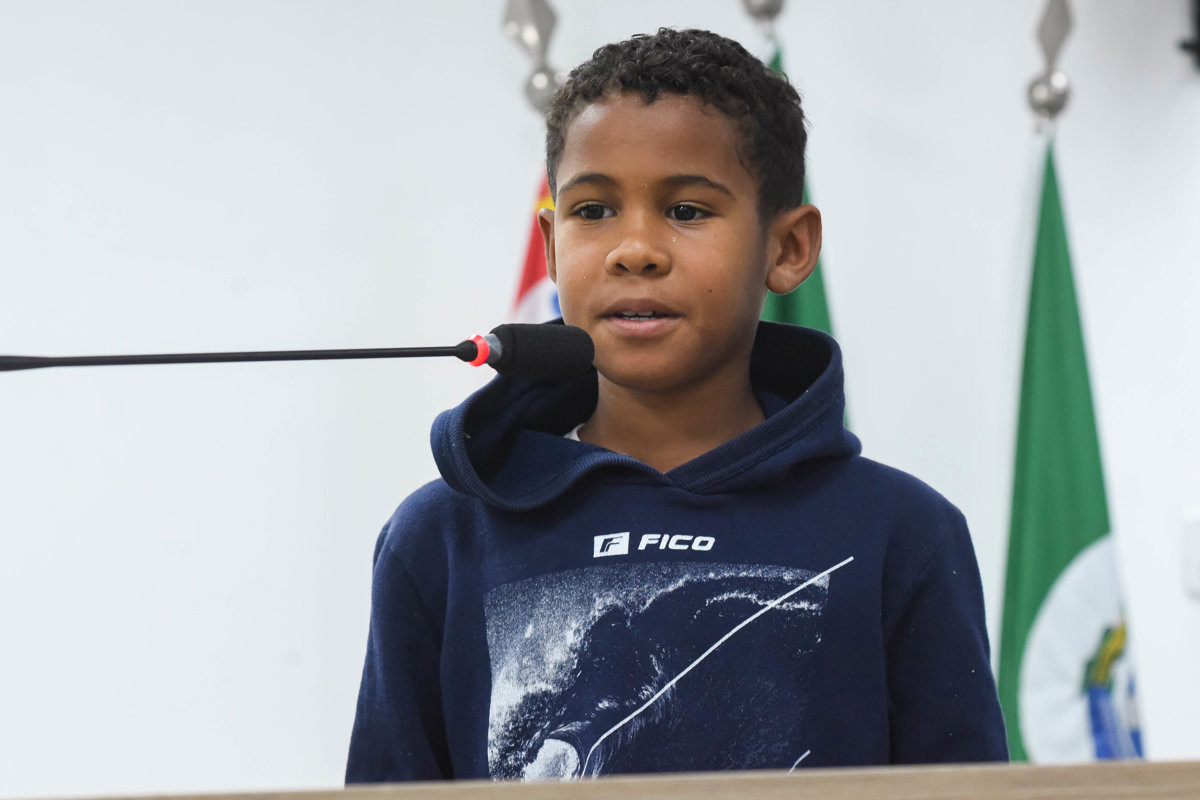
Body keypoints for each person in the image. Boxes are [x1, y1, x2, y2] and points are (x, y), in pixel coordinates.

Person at [345, 28, 1007, 782]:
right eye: (594, 210)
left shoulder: (903, 533)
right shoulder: (440, 538)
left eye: (687, 210)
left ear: (788, 248)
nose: (634, 249)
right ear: (552, 246)